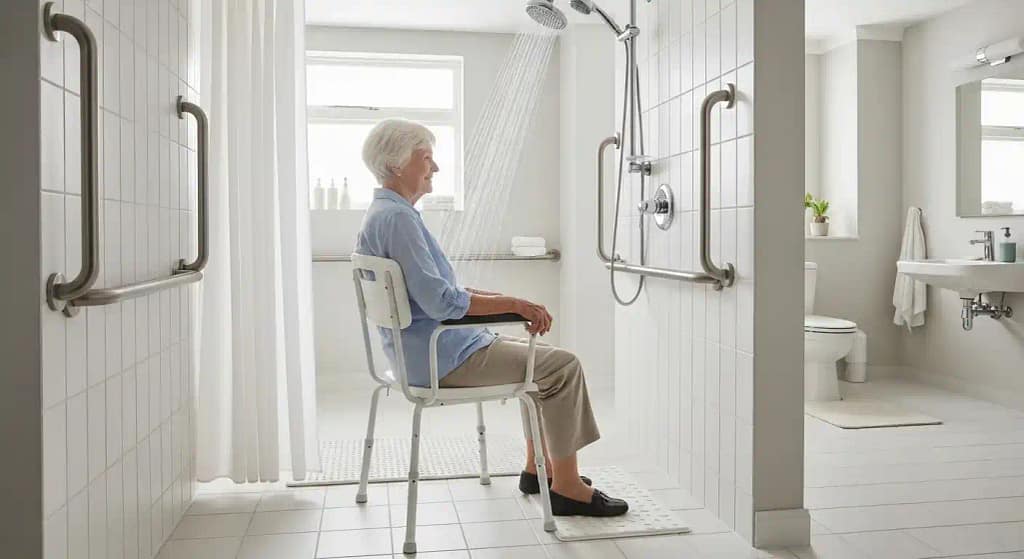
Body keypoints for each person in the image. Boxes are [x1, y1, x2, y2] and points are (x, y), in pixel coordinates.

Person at [355, 119, 627, 517]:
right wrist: (514, 304)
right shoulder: (398, 220)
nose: (435, 168)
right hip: (440, 358)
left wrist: (506, 300)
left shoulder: (384, 214)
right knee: (562, 367)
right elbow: (442, 302)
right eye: (426, 159)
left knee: (544, 359)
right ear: (397, 165)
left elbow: (436, 291)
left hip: (422, 351)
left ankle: (538, 471)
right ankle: (568, 488)